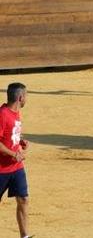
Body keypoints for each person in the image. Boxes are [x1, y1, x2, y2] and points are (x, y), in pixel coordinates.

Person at [0, 83, 31, 238]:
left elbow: (9, 135)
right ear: (20, 97)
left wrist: (20, 141)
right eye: (26, 96)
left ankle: (24, 236)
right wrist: (13, 154)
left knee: (23, 199)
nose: (26, 99)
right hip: (1, 169)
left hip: (16, 167)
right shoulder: (2, 114)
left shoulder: (15, 113)